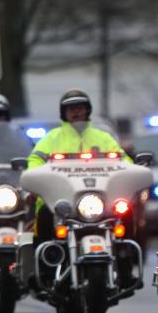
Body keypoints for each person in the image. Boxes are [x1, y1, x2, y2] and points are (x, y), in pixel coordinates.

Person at [29, 90, 128, 245]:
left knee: (126, 213)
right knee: (44, 214)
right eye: (71, 108)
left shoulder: (103, 138)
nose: (76, 112)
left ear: (87, 110)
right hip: (60, 203)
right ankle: (47, 261)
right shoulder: (51, 139)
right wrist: (34, 177)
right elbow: (35, 160)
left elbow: (123, 160)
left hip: (102, 202)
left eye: (80, 107)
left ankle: (124, 257)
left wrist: (129, 172)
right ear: (64, 113)